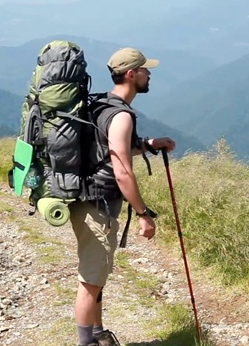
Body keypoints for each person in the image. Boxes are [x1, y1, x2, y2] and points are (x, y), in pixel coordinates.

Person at [68, 47, 177, 346]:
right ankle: (86, 342)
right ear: (132, 74)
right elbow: (122, 172)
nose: (149, 73)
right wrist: (144, 214)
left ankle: (98, 333)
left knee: (97, 274)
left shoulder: (102, 102)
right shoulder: (121, 116)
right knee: (90, 281)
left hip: (87, 198)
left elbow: (109, 148)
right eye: (144, 69)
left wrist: (151, 143)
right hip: (98, 203)